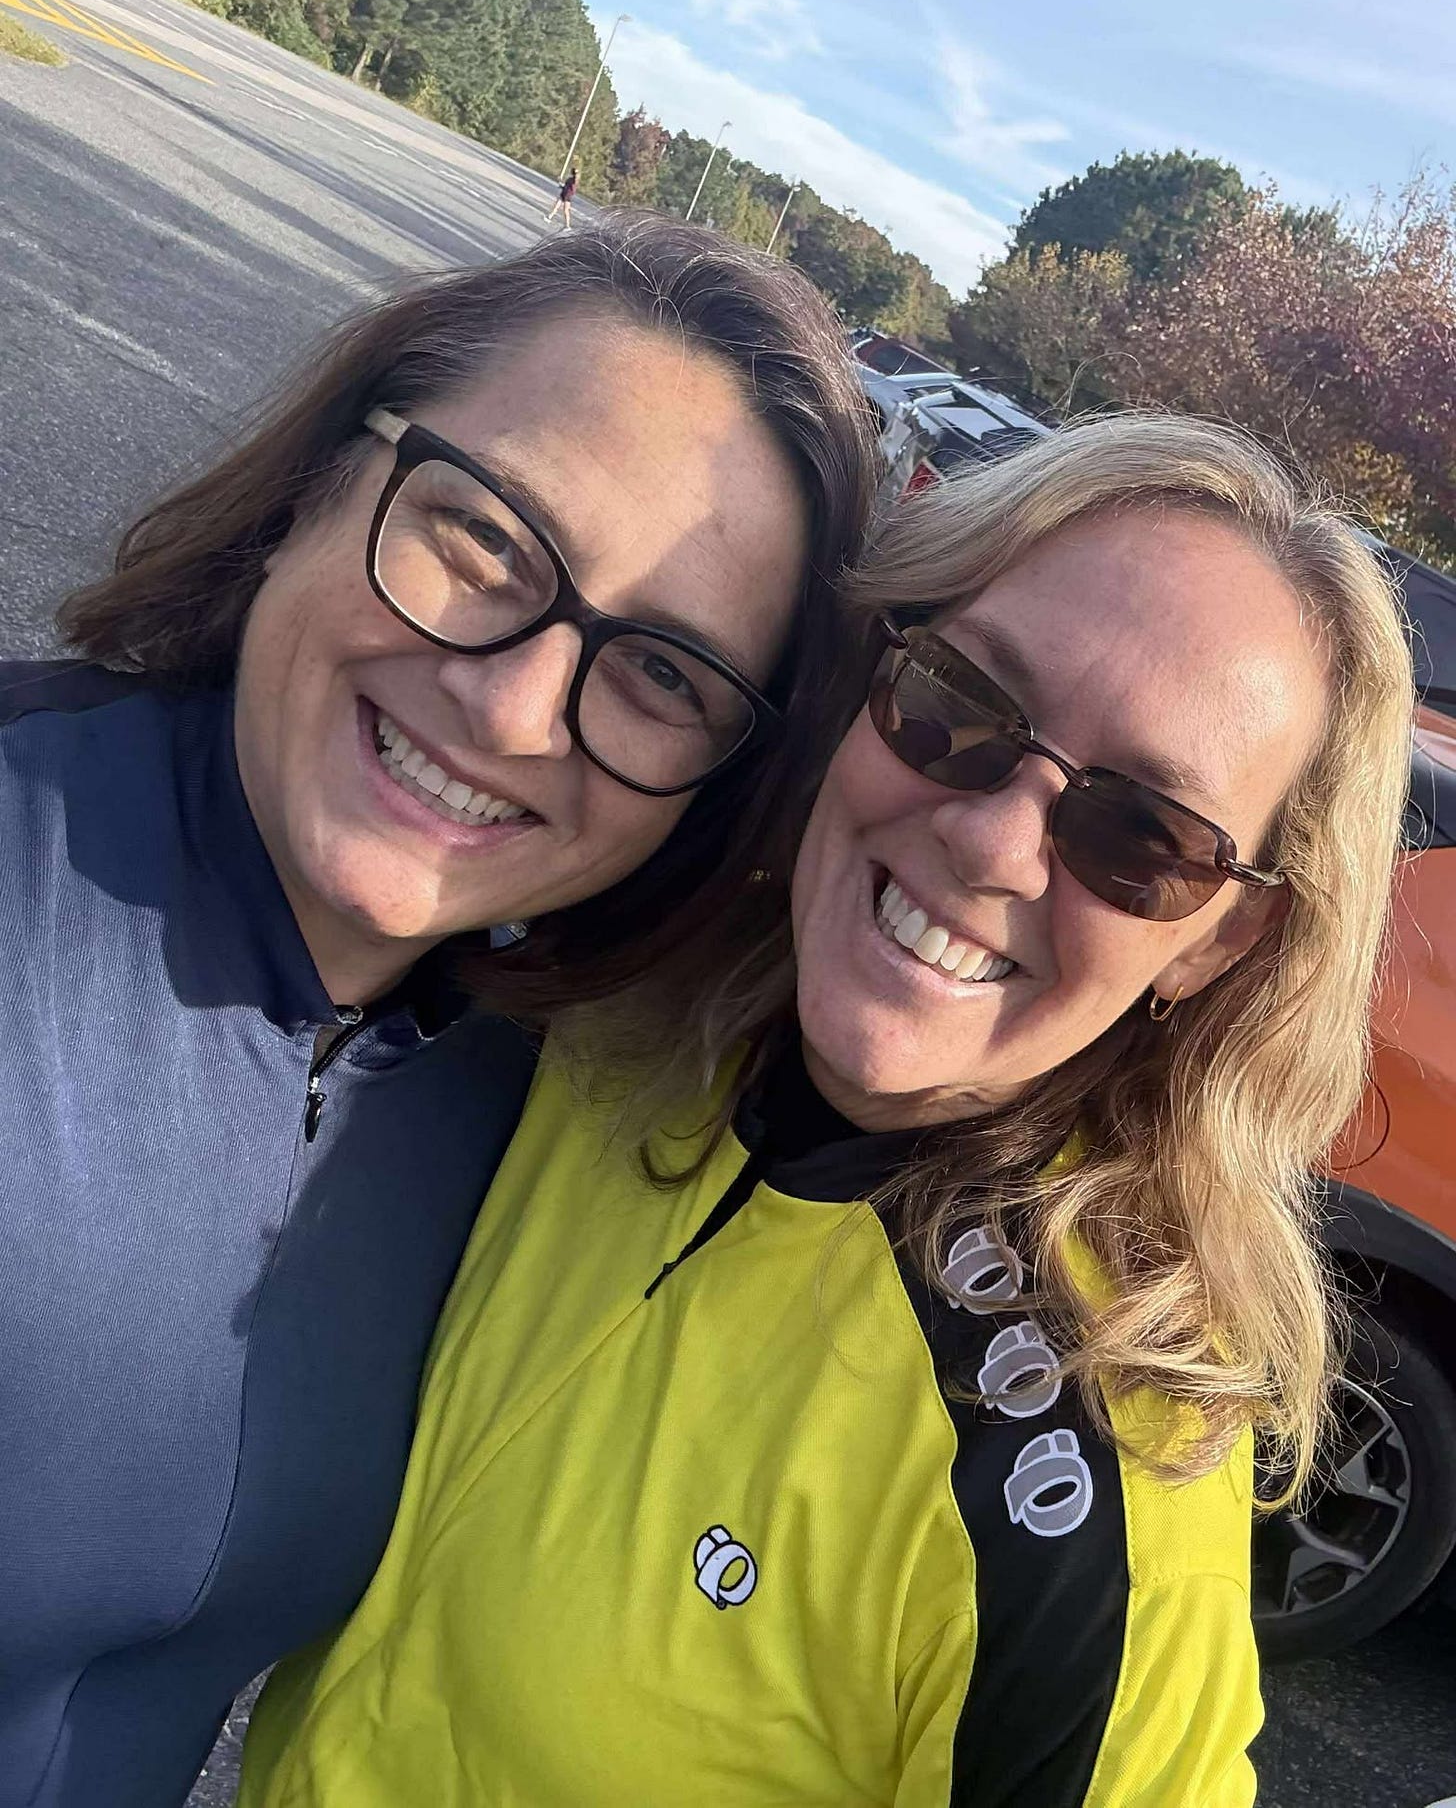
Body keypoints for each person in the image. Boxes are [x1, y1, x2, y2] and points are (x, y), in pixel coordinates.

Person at [238, 415, 1414, 1808]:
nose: (989, 841)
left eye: (1140, 835)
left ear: (1221, 941)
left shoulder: (1080, 1513)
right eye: (961, 703)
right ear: (873, 677)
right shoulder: (629, 1001)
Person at [0, 214, 878, 1808]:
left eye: (664, 675)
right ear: (327, 474)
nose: (515, 703)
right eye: (483, 539)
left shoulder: (518, 1083)